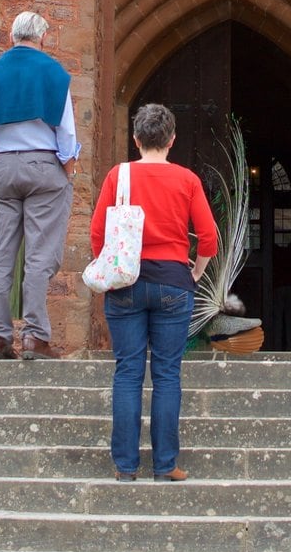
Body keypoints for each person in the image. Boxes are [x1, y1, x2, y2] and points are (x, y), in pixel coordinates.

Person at [91, 102, 218, 482]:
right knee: (166, 374)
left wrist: (111, 266)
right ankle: (165, 464)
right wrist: (194, 271)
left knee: (128, 372)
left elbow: (98, 233)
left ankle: (126, 466)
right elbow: (208, 237)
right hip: (174, 283)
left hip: (127, 282)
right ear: (172, 140)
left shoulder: (119, 176)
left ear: (135, 139)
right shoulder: (187, 180)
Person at [0, 11, 78, 360]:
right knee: (39, 255)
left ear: (12, 36)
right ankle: (34, 336)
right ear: (42, 37)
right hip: (44, 164)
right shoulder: (53, 74)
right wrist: (67, 166)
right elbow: (66, 131)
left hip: (2, 166)